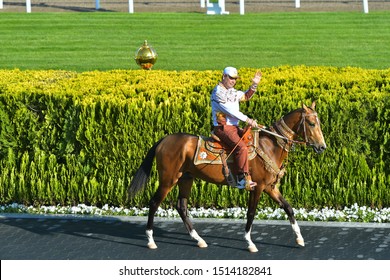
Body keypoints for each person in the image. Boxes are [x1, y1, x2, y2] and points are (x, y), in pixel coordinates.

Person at [211, 66, 262, 190]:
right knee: (241, 147)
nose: (233, 81)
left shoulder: (232, 91)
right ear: (224, 77)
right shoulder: (218, 92)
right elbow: (231, 111)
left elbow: (245, 96)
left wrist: (254, 85)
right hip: (223, 128)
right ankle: (241, 179)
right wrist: (248, 120)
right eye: (231, 78)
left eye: (235, 79)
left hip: (234, 127)